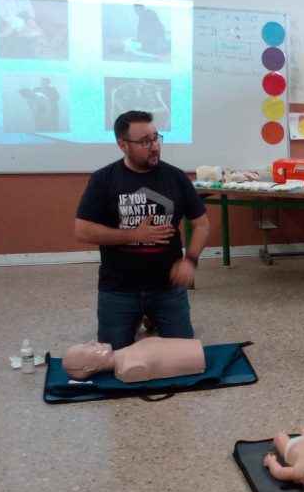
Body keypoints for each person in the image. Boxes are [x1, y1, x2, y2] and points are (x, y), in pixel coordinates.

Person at [75, 111, 209, 349]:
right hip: (118, 290)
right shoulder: (103, 180)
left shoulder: (176, 178)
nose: (155, 147)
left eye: (156, 138)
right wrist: (134, 235)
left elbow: (201, 224)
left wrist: (190, 260)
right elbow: (83, 231)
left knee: (182, 357)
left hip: (168, 289)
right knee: (113, 359)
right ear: (123, 145)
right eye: (145, 142)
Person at [62, 337, 205, 383]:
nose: (91, 342)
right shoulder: (129, 368)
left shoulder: (127, 353)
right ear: (89, 368)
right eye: (86, 348)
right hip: (197, 357)